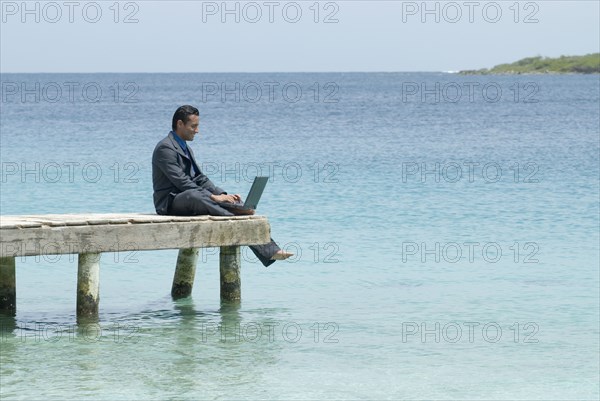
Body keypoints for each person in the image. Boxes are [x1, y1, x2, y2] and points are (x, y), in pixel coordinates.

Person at [152, 105, 292, 267]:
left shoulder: (186, 148)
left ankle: (269, 249)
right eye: (193, 126)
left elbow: (199, 178)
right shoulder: (165, 148)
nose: (197, 131)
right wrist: (213, 197)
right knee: (196, 195)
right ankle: (237, 215)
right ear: (180, 124)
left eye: (197, 126)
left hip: (192, 198)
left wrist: (223, 195)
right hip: (170, 202)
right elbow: (181, 181)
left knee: (233, 202)